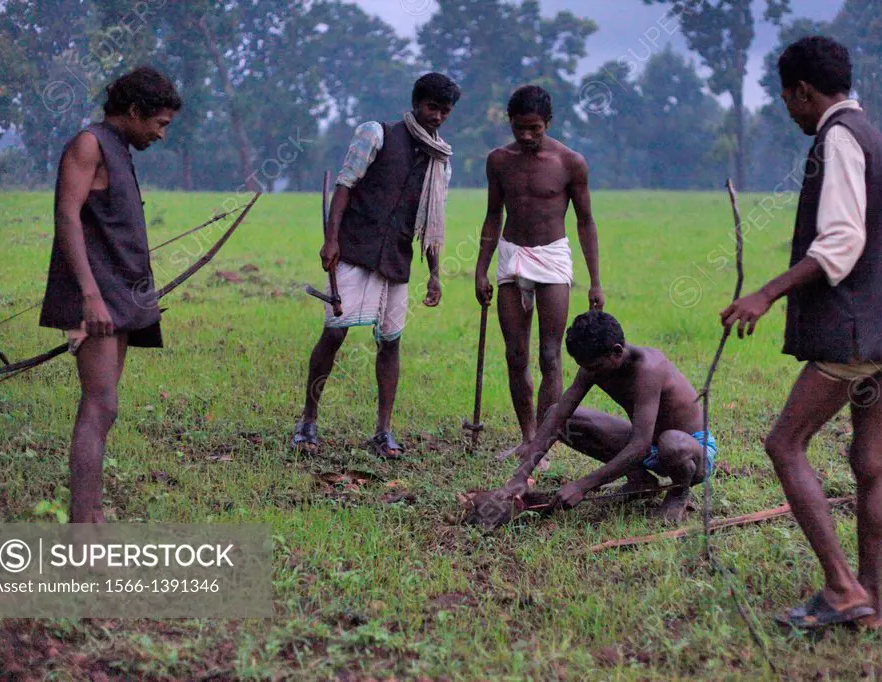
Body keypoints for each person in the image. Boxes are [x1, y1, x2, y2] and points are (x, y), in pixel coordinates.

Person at [721, 36, 882, 630]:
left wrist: (766, 293)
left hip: (856, 332)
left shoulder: (837, 138)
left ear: (804, 91)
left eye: (788, 99)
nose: (790, 111)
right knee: (869, 463)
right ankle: (872, 602)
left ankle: (841, 586)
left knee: (784, 444)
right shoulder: (875, 135)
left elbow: (839, 243)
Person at [292, 73, 461, 459]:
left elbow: (432, 223)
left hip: (397, 260)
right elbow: (345, 186)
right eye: (432, 108)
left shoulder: (441, 162)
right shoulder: (377, 134)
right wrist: (331, 240)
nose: (437, 117)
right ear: (417, 103)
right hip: (355, 251)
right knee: (334, 334)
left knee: (391, 342)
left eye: (445, 111)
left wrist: (434, 273)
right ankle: (308, 422)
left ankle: (383, 432)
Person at [39, 67, 182, 523]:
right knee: (100, 405)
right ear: (135, 111)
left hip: (121, 295)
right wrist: (89, 297)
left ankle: (92, 515)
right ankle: (84, 522)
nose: (160, 135)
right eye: (158, 124)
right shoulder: (89, 144)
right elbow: (67, 218)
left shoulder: (118, 149)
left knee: (106, 405)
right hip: (97, 296)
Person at [474, 85, 604, 466]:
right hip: (512, 255)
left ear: (548, 123)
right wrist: (480, 270)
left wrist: (595, 281)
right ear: (510, 123)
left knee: (551, 353)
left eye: (535, 128)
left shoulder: (570, 162)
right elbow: (493, 215)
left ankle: (543, 445)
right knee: (516, 355)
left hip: (552, 258)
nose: (527, 136)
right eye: (519, 128)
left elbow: (585, 221)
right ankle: (527, 438)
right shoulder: (498, 161)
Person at [496, 311, 717, 524]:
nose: (590, 372)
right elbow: (559, 416)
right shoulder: (595, 365)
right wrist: (521, 475)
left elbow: (639, 445)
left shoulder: (649, 370)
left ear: (617, 351)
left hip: (691, 450)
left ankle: (679, 492)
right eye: (585, 367)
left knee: (672, 443)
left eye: (595, 366)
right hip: (650, 444)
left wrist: (583, 485)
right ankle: (639, 480)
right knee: (557, 416)